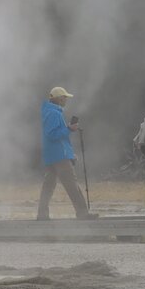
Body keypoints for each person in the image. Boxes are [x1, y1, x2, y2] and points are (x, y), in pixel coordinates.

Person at [37, 87, 98, 221]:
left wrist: (70, 152)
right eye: (65, 97)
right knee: (72, 185)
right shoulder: (54, 113)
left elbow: (55, 135)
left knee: (48, 186)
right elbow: (52, 135)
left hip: (52, 155)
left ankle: (42, 215)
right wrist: (69, 129)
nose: (66, 100)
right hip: (59, 156)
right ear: (58, 98)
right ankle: (82, 214)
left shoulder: (50, 111)